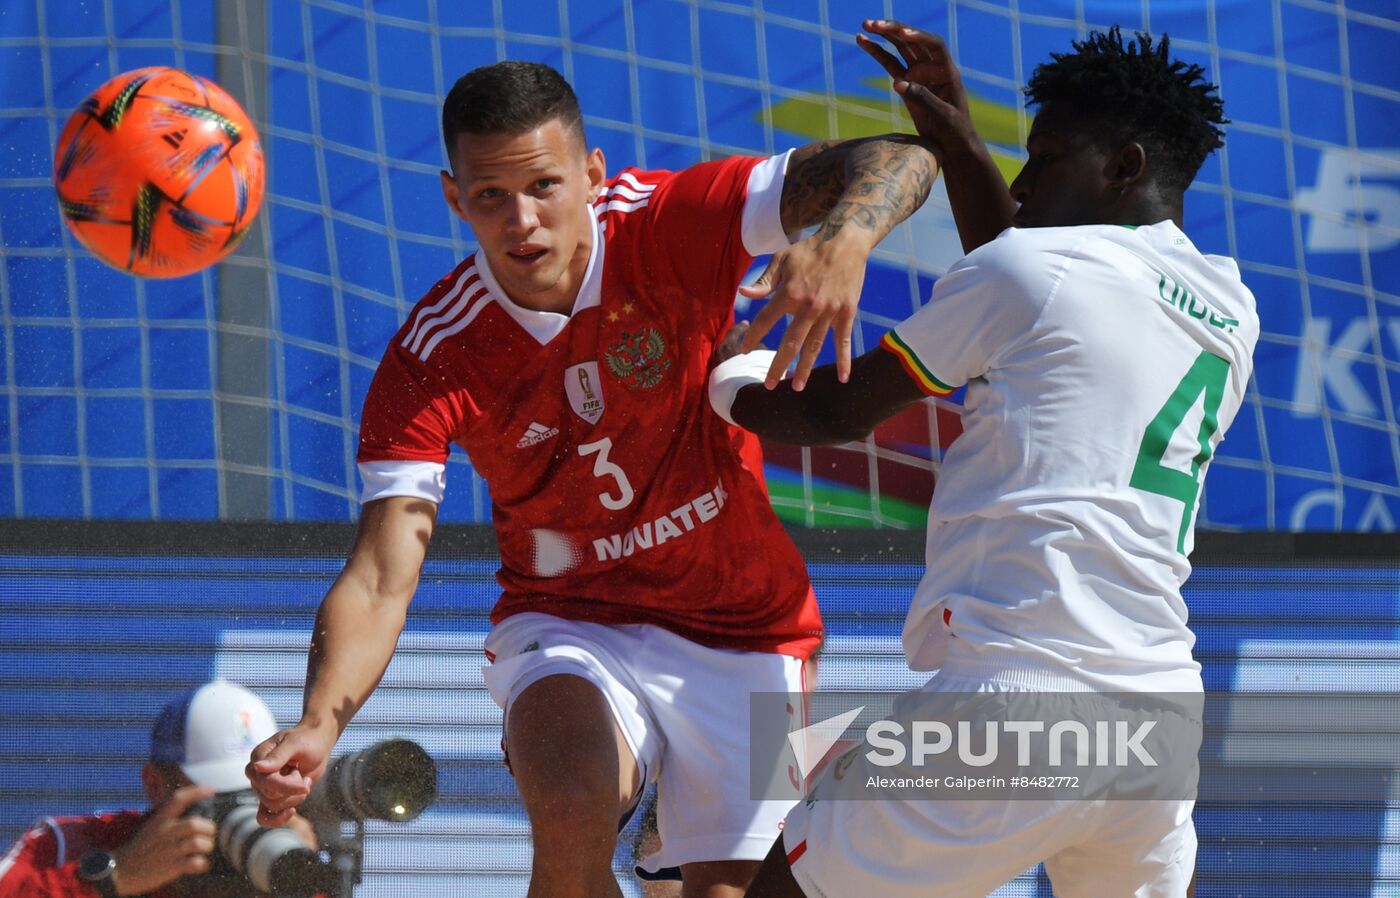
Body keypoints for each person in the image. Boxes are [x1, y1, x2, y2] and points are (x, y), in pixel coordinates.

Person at [245, 60, 937, 898]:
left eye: (544, 185)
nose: (523, 220)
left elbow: (903, 154)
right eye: (491, 196)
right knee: (569, 811)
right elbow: (382, 575)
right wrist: (322, 721)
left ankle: (667, 834)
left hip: (751, 624)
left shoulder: (670, 221)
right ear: (455, 199)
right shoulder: (433, 354)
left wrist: (844, 238)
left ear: (593, 173)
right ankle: (634, 807)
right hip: (573, 619)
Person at [716, 21, 1256, 898]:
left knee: (782, 876)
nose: (1021, 179)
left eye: (1043, 158)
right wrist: (956, 136)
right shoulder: (1230, 306)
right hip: (1156, 724)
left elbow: (824, 412)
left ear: (1121, 166)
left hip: (1017, 704)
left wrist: (716, 374)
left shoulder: (1033, 275)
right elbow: (1033, 277)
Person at [0, 680, 318, 898]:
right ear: (155, 785)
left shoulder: (276, 858)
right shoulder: (65, 846)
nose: (238, 813)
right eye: (218, 798)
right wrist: (115, 879)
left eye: (254, 793)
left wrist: (300, 881)